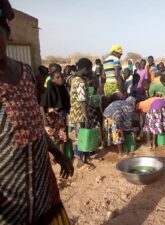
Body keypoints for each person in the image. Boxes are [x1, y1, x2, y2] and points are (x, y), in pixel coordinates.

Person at [0, 26, 73, 225]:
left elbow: (33, 124)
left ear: (6, 31)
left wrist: (57, 152)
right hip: (8, 189)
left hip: (41, 177)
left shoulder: (26, 72)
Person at [40, 70, 70, 154]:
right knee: (51, 138)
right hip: (50, 118)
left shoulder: (62, 88)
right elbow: (41, 105)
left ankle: (61, 154)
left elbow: (65, 102)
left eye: (62, 77)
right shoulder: (49, 89)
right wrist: (44, 119)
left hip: (60, 118)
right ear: (52, 79)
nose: (61, 79)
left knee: (62, 136)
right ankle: (53, 157)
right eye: (58, 77)